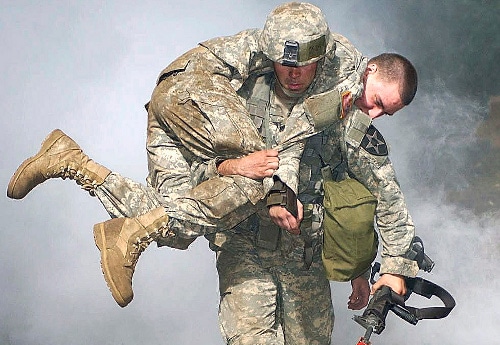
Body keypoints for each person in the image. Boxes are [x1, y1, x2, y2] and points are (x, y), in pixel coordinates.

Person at [9, 2, 374, 307]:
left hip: (168, 108)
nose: (292, 74)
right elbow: (292, 139)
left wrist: (230, 165)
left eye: (301, 65)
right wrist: (262, 180)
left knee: (173, 223)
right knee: (258, 177)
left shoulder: (314, 59)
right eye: (377, 103)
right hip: (193, 94)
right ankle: (129, 234)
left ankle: (70, 161)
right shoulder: (339, 72)